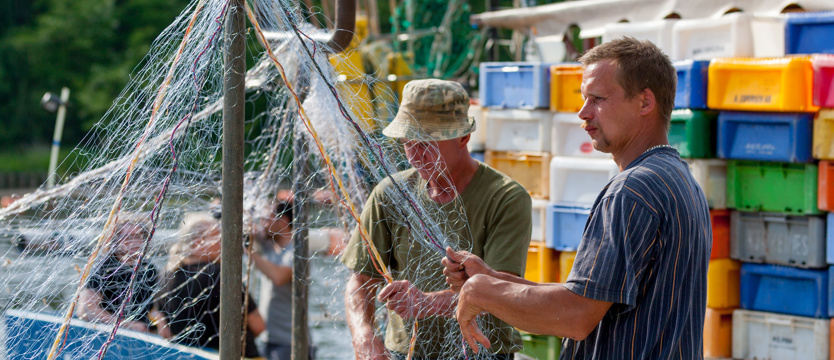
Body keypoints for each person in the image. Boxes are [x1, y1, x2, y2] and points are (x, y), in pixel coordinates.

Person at [444, 37, 711, 359]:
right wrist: (493, 279)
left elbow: (576, 316)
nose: (583, 113)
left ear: (645, 102)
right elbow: (590, 295)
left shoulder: (631, 190)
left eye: (598, 99)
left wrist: (482, 292)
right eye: (584, 99)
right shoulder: (680, 178)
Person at [340, 79, 532, 359]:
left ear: (463, 138)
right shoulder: (389, 194)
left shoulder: (506, 198)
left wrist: (425, 303)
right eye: (408, 143)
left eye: (426, 143)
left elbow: (502, 290)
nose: (415, 156)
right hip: (404, 353)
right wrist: (363, 336)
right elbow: (360, 279)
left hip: (483, 353)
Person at [156, 212, 265, 357]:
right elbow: (258, 326)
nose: (224, 243)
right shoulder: (221, 275)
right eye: (218, 237)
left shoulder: (166, 273)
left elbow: (163, 326)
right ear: (198, 243)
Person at [248, 201, 315, 360]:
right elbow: (249, 230)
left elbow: (279, 277)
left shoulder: (298, 251)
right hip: (268, 339)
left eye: (266, 219)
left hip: (291, 342)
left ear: (283, 220)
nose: (263, 224)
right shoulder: (269, 245)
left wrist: (249, 252)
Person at [79, 216, 158, 332]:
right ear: (115, 240)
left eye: (138, 236)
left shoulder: (148, 268)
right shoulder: (104, 268)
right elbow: (86, 311)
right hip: (107, 333)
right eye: (127, 237)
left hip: (144, 334)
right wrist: (128, 325)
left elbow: (154, 308)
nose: (134, 242)